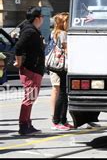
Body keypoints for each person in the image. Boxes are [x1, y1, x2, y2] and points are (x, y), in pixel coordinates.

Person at [14, 7, 45, 136]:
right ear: (37, 18)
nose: (43, 19)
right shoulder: (29, 31)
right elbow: (18, 47)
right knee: (29, 98)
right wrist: (19, 62)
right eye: (42, 16)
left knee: (31, 98)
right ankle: (23, 125)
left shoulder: (31, 29)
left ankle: (27, 123)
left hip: (34, 69)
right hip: (31, 69)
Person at [49, 12, 74, 131]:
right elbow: (68, 51)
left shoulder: (54, 33)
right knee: (63, 93)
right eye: (67, 21)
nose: (69, 23)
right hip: (62, 66)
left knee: (64, 93)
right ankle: (57, 120)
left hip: (58, 66)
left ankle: (63, 120)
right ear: (62, 23)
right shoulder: (63, 34)